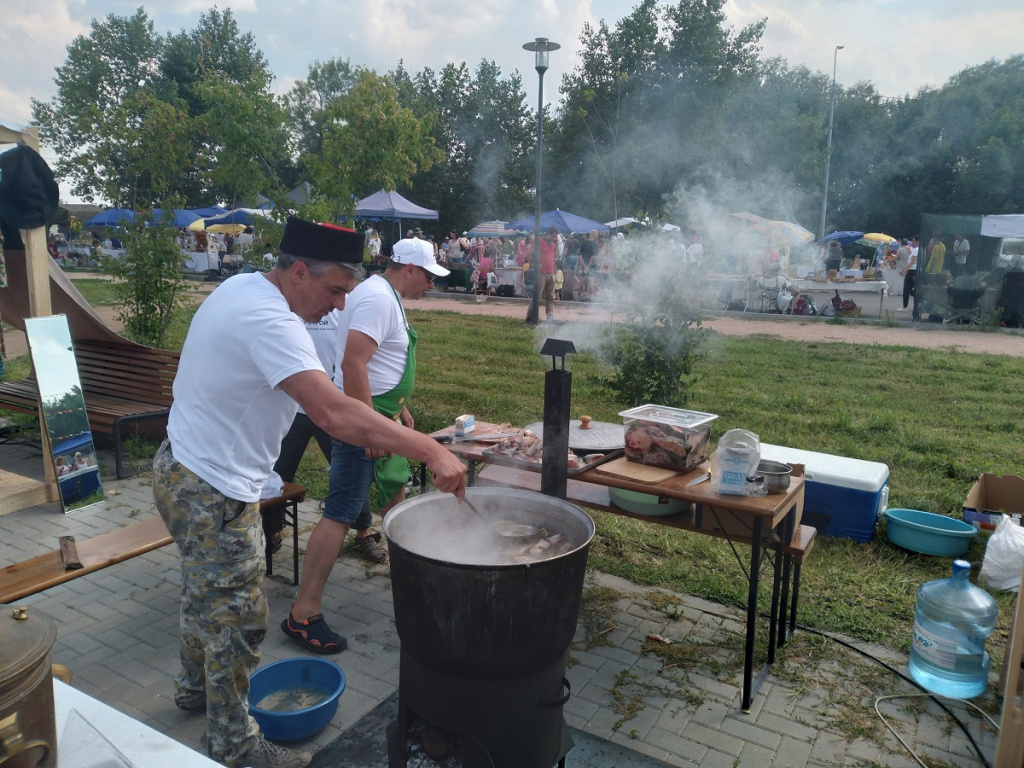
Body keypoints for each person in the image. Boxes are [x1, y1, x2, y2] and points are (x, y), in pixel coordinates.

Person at [153, 216, 466, 768]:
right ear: (299, 272)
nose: (342, 305)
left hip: (180, 466)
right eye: (336, 290)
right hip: (212, 489)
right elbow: (333, 412)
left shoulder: (242, 285)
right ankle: (234, 744)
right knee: (239, 617)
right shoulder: (271, 320)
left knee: (203, 593)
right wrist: (431, 449)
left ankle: (191, 688)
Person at [281, 237, 450, 658]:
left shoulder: (382, 293)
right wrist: (371, 427)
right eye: (429, 276)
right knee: (340, 512)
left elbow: (377, 363)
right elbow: (354, 364)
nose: (431, 284)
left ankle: (417, 582)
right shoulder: (377, 298)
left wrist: (401, 407)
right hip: (365, 423)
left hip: (380, 415)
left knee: (395, 495)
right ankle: (304, 612)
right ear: (409, 268)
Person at [538, 226, 558, 321]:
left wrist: (557, 243)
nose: (554, 238)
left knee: (550, 297)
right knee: (537, 297)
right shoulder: (539, 241)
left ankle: (550, 319)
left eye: (556, 237)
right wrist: (534, 264)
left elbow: (557, 255)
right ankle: (530, 318)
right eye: (553, 236)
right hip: (541, 273)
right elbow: (529, 253)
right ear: (548, 234)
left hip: (551, 272)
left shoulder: (553, 243)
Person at [579, 230, 598, 301]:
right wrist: (588, 266)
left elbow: (580, 257)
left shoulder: (583, 244)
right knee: (591, 280)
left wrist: (584, 266)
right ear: (595, 235)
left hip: (584, 265)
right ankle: (591, 297)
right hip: (591, 266)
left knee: (582, 280)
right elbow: (593, 257)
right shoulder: (594, 244)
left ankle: (579, 296)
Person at [901, 242, 918, 310]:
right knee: (910, 288)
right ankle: (917, 298)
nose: (913, 242)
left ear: (918, 241)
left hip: (912, 270)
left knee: (906, 289)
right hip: (915, 270)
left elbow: (912, 261)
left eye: (914, 241)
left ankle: (905, 306)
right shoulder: (919, 249)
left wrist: (905, 270)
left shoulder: (916, 249)